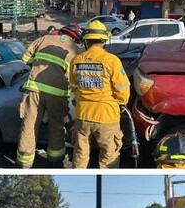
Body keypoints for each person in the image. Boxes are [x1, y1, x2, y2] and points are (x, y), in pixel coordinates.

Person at [16, 24, 82, 168]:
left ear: (61, 31)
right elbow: (75, 77)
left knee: (29, 126)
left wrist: (39, 66)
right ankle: (55, 160)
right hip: (57, 95)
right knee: (56, 127)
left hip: (34, 91)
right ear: (75, 38)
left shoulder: (44, 39)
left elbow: (25, 59)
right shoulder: (75, 50)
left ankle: (24, 163)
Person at [69, 20, 130, 168]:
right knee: (109, 156)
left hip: (83, 115)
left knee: (80, 154)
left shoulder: (76, 60)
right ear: (104, 39)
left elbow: (73, 87)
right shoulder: (112, 61)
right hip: (107, 116)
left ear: (86, 40)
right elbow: (123, 92)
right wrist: (121, 103)